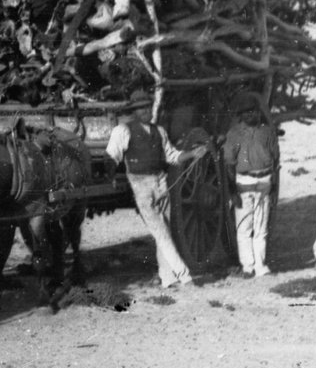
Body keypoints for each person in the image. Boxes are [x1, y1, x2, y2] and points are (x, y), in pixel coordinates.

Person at [106, 105, 209, 288]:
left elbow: (172, 156)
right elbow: (112, 156)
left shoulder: (159, 131)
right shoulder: (122, 131)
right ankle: (184, 276)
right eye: (141, 109)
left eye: (147, 108)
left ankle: (167, 278)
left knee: (166, 230)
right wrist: (111, 177)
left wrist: (192, 153)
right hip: (141, 185)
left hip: (160, 182)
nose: (146, 112)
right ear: (134, 113)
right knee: (160, 233)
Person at [220, 97, 282, 277]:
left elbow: (275, 158)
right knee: (244, 227)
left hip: (264, 181)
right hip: (243, 183)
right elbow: (229, 164)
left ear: (258, 113)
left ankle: (261, 266)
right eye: (247, 112)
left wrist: (272, 183)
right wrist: (233, 191)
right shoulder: (234, 134)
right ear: (240, 116)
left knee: (261, 226)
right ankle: (248, 266)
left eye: (254, 111)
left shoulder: (268, 132)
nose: (251, 114)